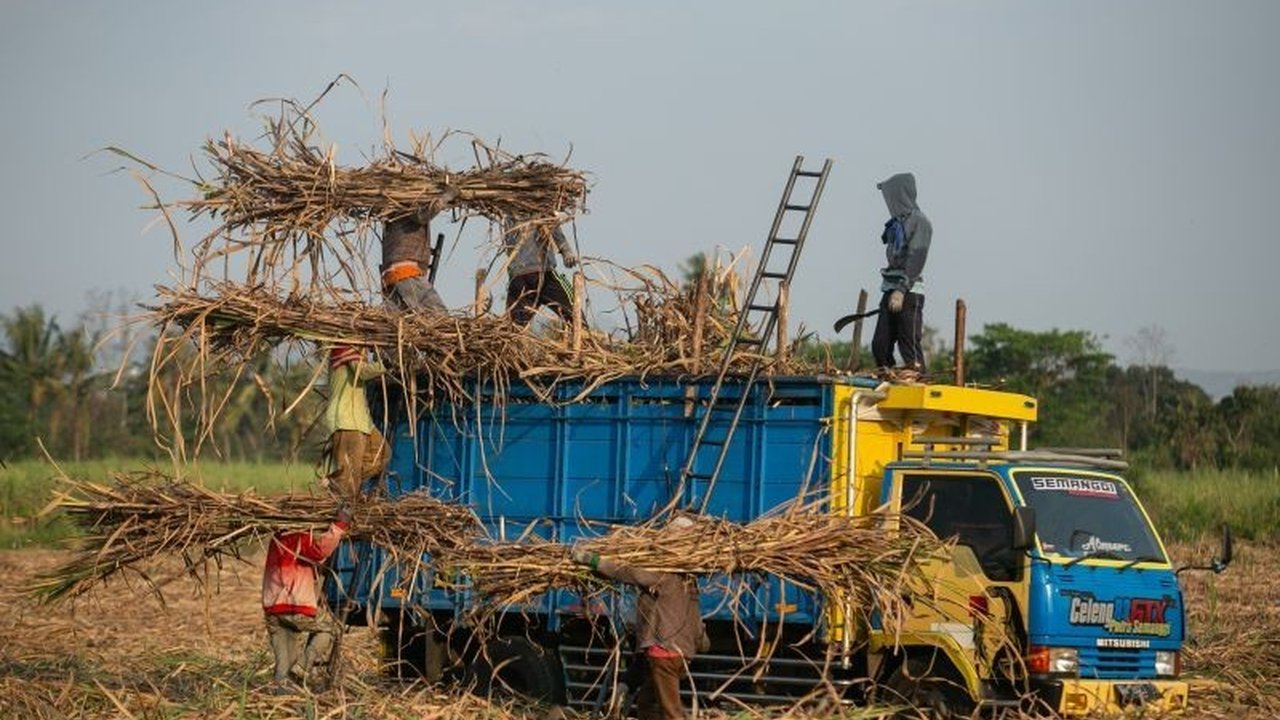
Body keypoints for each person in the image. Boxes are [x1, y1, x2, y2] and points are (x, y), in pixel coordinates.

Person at [570, 517, 709, 720]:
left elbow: (628, 573)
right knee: (647, 702)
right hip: (680, 653)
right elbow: (697, 622)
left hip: (665, 653)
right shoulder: (690, 579)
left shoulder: (664, 573)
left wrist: (594, 561)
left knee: (671, 712)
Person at [262, 504, 352, 693]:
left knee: (284, 665)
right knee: (331, 627)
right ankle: (304, 667)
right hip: (294, 606)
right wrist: (339, 526)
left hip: (272, 611)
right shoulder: (297, 537)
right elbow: (319, 551)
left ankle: (282, 701)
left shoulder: (276, 539)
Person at [870, 172, 932, 375]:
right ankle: (886, 373)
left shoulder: (920, 222)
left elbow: (916, 259)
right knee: (880, 343)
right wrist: (893, 289)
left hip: (909, 291)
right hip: (890, 287)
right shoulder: (896, 223)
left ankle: (916, 377)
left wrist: (902, 289)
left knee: (908, 342)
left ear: (900, 195)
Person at [324, 345, 389, 502]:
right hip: (347, 421)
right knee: (349, 478)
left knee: (383, 454)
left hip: (361, 420)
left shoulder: (358, 352)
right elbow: (363, 372)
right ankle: (341, 521)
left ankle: (337, 481)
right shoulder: (344, 348)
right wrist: (386, 364)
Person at [381, 187, 458, 313]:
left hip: (390, 276)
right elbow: (422, 216)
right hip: (406, 273)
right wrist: (446, 197)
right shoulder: (405, 202)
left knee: (397, 323)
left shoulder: (391, 210)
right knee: (439, 314)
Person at [501, 213, 579, 327]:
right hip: (542, 273)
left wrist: (566, 252)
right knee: (574, 315)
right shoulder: (542, 211)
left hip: (520, 275)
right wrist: (566, 251)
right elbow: (556, 231)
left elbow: (509, 245)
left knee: (514, 326)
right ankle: (582, 334)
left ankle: (581, 336)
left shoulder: (509, 216)